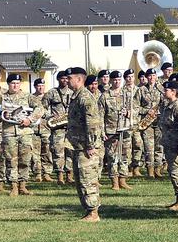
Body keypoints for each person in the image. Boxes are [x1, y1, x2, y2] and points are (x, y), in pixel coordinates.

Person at [65, 67, 104, 221]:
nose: (67, 81)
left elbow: (92, 124)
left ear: (79, 79)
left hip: (87, 147)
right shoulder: (76, 96)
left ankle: (93, 212)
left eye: (70, 78)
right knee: (81, 179)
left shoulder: (85, 98)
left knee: (88, 179)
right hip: (78, 145)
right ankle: (89, 210)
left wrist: (91, 145)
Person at [1, 73, 44, 196]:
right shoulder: (1, 97)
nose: (15, 85)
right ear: (8, 84)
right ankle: (13, 186)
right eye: (13, 83)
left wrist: (29, 119)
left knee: (25, 159)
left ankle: (23, 185)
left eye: (17, 83)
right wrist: (3, 114)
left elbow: (40, 108)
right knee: (11, 160)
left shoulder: (27, 96)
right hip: (9, 132)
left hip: (25, 132)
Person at [159, 79, 178, 211]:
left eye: (166, 90)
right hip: (169, 143)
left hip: (177, 144)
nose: (164, 92)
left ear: (174, 92)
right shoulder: (167, 105)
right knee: (173, 171)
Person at [100, 71, 131, 190]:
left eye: (119, 80)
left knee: (124, 155)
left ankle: (123, 179)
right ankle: (114, 181)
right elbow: (100, 115)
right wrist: (102, 132)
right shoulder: (105, 96)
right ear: (111, 81)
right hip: (111, 130)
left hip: (125, 128)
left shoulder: (127, 93)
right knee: (112, 156)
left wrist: (128, 113)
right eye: (115, 80)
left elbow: (135, 109)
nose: (117, 82)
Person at [44, 70, 73, 184]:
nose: (65, 80)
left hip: (70, 127)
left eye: (67, 78)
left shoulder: (73, 92)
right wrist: (50, 116)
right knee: (58, 152)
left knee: (70, 151)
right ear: (58, 79)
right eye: (62, 78)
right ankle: (60, 176)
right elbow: (42, 108)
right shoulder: (52, 93)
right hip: (57, 128)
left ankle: (69, 176)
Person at [136, 68, 162, 178]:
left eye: (153, 75)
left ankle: (158, 169)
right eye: (149, 76)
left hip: (160, 122)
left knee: (159, 147)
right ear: (146, 77)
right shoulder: (141, 90)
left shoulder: (162, 89)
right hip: (147, 124)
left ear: (156, 76)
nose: (151, 78)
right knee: (149, 148)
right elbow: (136, 107)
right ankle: (150, 171)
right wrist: (147, 111)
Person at [29, 78, 53, 182]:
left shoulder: (48, 97)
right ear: (35, 87)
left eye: (42, 86)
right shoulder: (31, 98)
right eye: (39, 86)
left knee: (47, 151)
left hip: (46, 128)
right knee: (35, 152)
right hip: (34, 129)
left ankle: (47, 173)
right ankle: (37, 173)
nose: (41, 87)